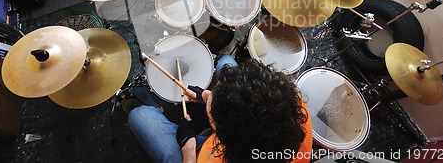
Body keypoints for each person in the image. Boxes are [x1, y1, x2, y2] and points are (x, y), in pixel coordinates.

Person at [126, 58, 313, 163]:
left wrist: (188, 148)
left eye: (212, 115)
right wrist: (207, 96)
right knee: (226, 62)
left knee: (140, 116)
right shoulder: (289, 100)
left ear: (222, 138)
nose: (208, 96)